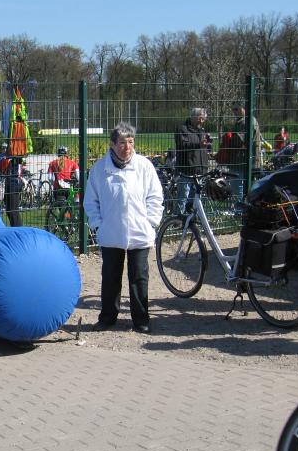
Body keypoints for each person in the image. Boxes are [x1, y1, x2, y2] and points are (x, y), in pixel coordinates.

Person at [84, 122, 163, 334]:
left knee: (139, 277)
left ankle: (141, 320)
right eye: (121, 142)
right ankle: (107, 318)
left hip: (140, 232)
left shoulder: (144, 166)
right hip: (110, 232)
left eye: (130, 142)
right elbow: (91, 201)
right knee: (110, 277)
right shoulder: (99, 169)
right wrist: (98, 225)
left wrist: (151, 223)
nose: (126, 147)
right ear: (112, 144)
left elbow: (155, 197)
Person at [174, 108, 211, 213]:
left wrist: (208, 145)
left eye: (203, 119)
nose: (202, 121)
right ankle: (178, 219)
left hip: (200, 171)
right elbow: (182, 145)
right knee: (183, 198)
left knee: (195, 199)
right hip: (186, 170)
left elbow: (205, 148)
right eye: (200, 118)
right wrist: (199, 144)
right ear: (193, 117)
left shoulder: (202, 130)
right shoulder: (182, 129)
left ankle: (192, 219)